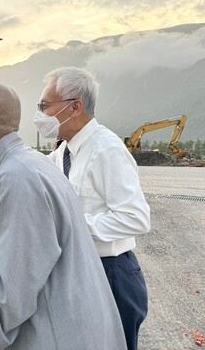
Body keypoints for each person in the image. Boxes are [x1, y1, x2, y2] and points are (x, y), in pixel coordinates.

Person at [0, 83, 127, 349]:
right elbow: (20, 240)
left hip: (57, 331)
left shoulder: (16, 176)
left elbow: (16, 285)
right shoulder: (30, 162)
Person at [33, 67, 150, 350]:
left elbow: (136, 218)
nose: (40, 115)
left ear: (75, 107)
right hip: (81, 269)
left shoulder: (105, 150)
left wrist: (74, 226)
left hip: (111, 273)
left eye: (45, 106)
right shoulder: (63, 152)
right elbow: (34, 179)